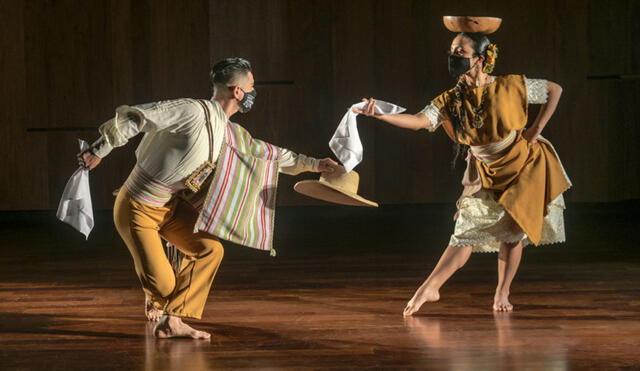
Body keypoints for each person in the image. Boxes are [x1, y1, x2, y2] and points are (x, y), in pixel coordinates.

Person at [80, 57, 338, 338]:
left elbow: (269, 154)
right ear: (238, 92)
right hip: (136, 207)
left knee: (210, 250)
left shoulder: (228, 130)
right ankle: (158, 295)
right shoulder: (191, 110)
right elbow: (136, 117)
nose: (253, 92)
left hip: (171, 206)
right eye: (251, 86)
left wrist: (314, 164)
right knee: (165, 286)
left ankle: (173, 321)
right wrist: (98, 149)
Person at [354, 32, 571, 315]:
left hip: (523, 164)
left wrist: (536, 129)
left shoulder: (511, 85)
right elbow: (420, 120)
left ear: (480, 59)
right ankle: (429, 287)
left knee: (513, 233)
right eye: (452, 51)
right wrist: (381, 115)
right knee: (466, 231)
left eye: (460, 52)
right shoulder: (451, 99)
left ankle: (502, 290)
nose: (453, 57)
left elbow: (554, 89)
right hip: (484, 168)